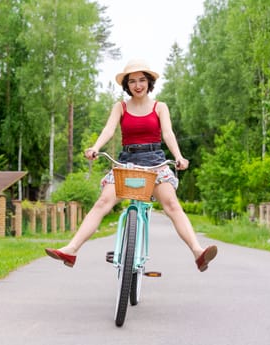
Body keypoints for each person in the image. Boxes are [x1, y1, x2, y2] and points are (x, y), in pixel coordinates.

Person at [45, 59, 217, 272]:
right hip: (127, 162)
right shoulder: (121, 107)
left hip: (155, 161)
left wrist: (179, 157)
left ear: (149, 82)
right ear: (127, 85)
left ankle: (198, 252)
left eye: (142, 80)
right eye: (133, 81)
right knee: (102, 203)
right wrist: (95, 147)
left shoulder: (159, 107)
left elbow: (168, 133)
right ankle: (71, 250)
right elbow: (109, 130)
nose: (138, 85)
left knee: (171, 204)